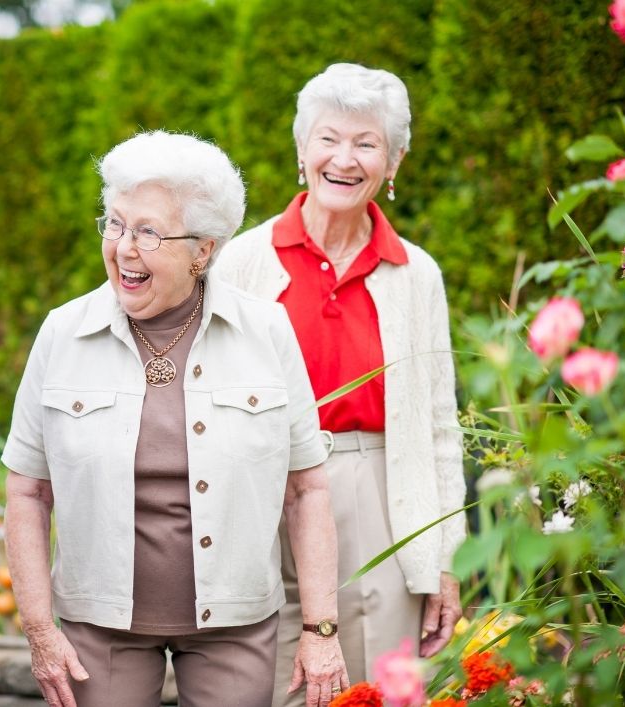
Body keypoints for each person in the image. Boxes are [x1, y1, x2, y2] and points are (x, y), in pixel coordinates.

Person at [3, 130, 349, 707]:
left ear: (204, 250)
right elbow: (27, 493)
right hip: (100, 628)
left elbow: (306, 490)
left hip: (236, 622)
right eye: (114, 224)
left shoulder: (265, 331)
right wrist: (41, 630)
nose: (124, 248)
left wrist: (320, 630)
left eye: (148, 232)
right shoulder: (64, 332)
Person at [215, 63, 467, 702]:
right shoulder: (241, 260)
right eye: (329, 138)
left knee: (379, 690)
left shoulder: (416, 274)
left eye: (367, 143)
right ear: (302, 151)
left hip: (378, 496)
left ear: (395, 161)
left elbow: (440, 426)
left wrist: (444, 560)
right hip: (263, 491)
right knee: (268, 684)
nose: (345, 159)